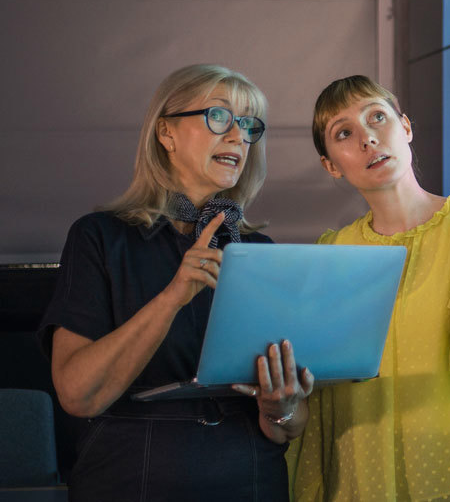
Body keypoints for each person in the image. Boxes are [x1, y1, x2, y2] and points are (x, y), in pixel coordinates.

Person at [38, 64, 314, 501]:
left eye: (248, 125)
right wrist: (172, 298)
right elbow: (77, 396)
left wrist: (281, 408)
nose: (238, 136)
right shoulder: (99, 236)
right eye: (219, 116)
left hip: (251, 476)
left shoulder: (260, 249)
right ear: (165, 132)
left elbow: (289, 430)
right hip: (134, 474)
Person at [287, 75, 450, 501]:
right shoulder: (333, 253)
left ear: (405, 127)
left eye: (377, 118)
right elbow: (318, 395)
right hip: (366, 480)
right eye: (344, 133)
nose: (367, 138)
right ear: (331, 164)